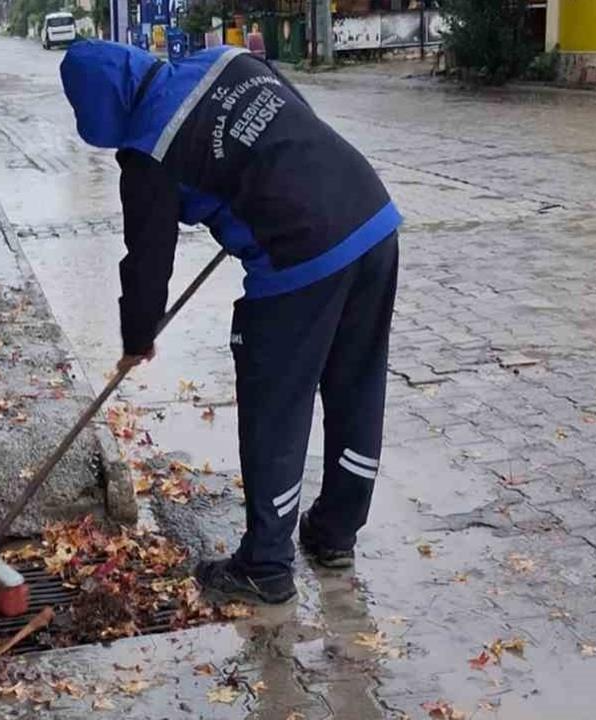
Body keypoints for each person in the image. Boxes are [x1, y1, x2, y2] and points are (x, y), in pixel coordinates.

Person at [59, 41, 400, 604]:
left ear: (100, 109)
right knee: (355, 388)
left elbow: (147, 261)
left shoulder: (149, 147)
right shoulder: (225, 58)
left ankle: (265, 566)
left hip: (302, 254)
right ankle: (335, 533)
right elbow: (291, 119)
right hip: (371, 217)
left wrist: (137, 338)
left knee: (275, 405)